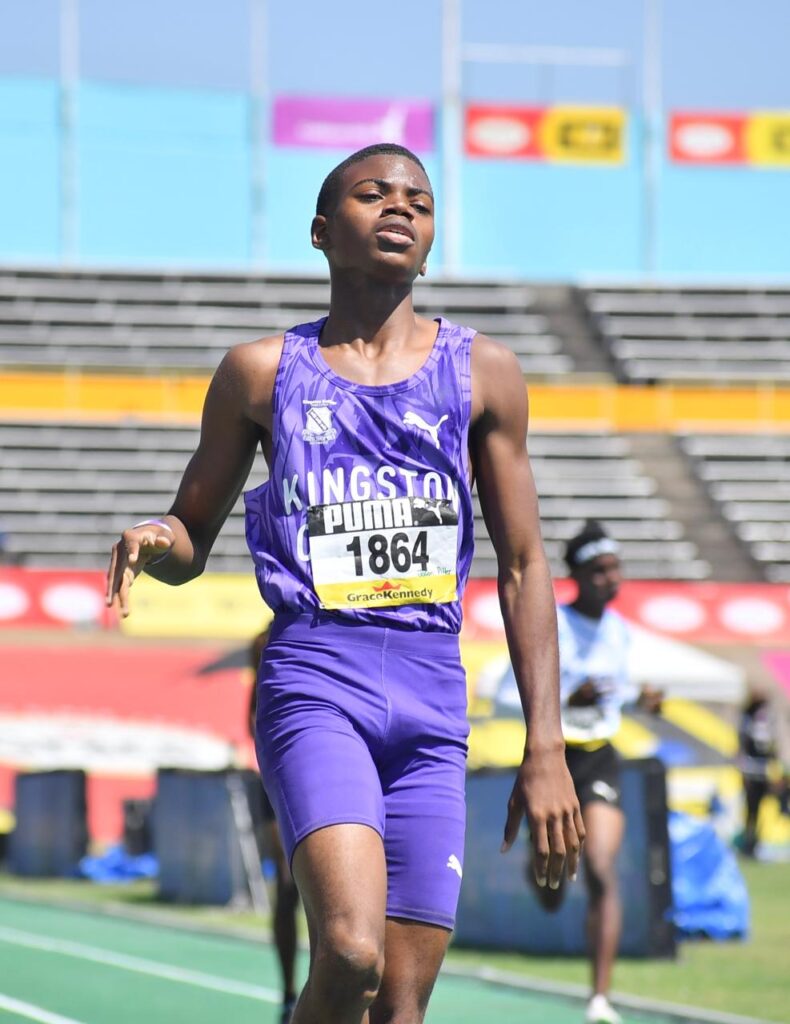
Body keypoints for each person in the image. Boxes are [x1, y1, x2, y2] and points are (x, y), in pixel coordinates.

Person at [106, 142, 584, 1024]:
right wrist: (155, 538)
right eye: (374, 194)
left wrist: (543, 747)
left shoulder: (486, 373)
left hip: (435, 694)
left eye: (420, 201)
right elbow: (193, 535)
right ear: (324, 232)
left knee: (402, 1006)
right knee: (351, 952)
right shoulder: (259, 372)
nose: (400, 208)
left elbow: (523, 565)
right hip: (317, 678)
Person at [529, 520, 661, 1024]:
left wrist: (641, 701)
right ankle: (537, 865)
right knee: (552, 883)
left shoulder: (620, 632)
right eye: (599, 569)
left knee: (601, 868)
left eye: (614, 568)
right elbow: (501, 694)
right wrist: (565, 698)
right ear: (577, 575)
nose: (611, 578)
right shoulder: (551, 624)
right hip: (555, 758)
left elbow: (615, 694)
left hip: (602, 754)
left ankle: (599, 999)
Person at [249, 625, 300, 1023]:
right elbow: (254, 712)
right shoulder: (262, 643)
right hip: (281, 777)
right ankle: (288, 994)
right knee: (287, 887)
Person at [738, 690, 779, 858]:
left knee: (759, 810)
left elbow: (771, 748)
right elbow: (743, 746)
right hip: (751, 772)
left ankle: (755, 842)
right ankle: (748, 843)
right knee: (751, 810)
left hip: (762, 772)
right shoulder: (747, 722)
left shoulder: (766, 723)